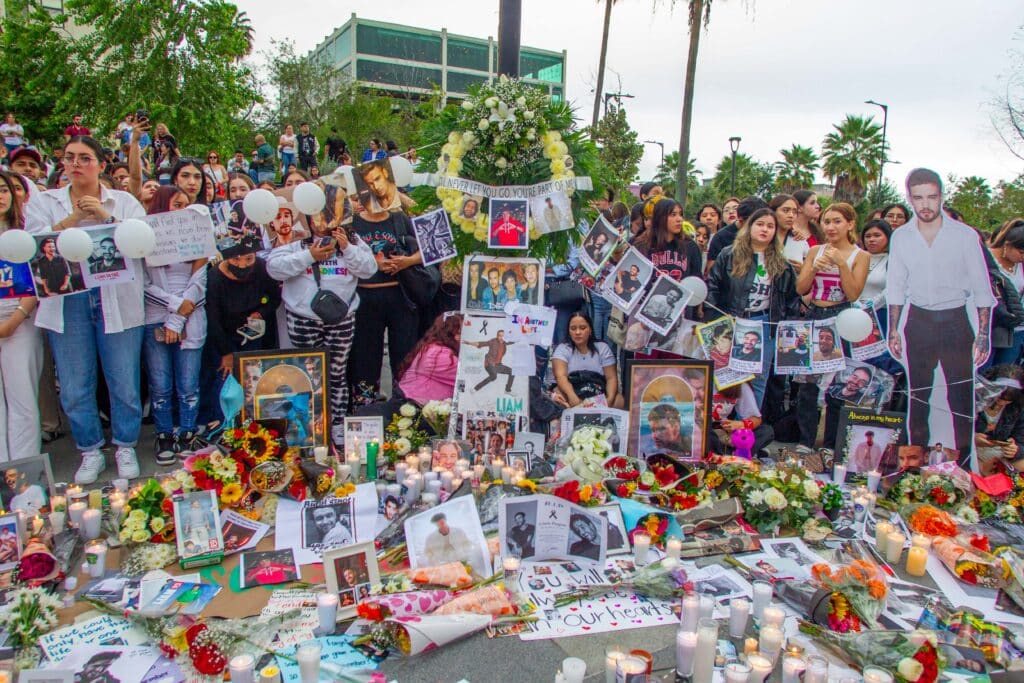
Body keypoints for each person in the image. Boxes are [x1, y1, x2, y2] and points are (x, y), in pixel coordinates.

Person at [25, 136, 145, 484]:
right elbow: (33, 246)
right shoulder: (44, 202)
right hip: (67, 301)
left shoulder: (123, 201)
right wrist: (73, 218)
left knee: (123, 381)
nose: (76, 164)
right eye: (69, 158)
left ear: (101, 165)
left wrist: (105, 215)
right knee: (76, 384)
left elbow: (142, 244)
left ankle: (125, 444)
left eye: (85, 158)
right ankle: (90, 449)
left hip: (115, 298)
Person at [888, 169, 996, 461]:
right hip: (918, 320)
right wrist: (893, 329)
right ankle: (914, 466)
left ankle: (961, 464)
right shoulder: (901, 236)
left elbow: (982, 288)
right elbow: (896, 285)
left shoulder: (964, 236)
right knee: (918, 396)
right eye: (919, 197)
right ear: (910, 198)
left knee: (959, 397)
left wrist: (983, 333)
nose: (926, 204)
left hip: (956, 320)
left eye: (932, 197)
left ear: (941, 196)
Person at [267, 213, 377, 447]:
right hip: (303, 318)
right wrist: (310, 255)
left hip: (341, 318)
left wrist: (347, 248)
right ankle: (307, 428)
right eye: (316, 217)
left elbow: (369, 269)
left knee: (336, 375)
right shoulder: (297, 240)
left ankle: (337, 426)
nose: (322, 222)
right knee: (305, 376)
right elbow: (274, 268)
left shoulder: (352, 240)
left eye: (327, 216)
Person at [795, 202, 869, 450]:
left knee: (837, 386)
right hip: (815, 313)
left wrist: (841, 264)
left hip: (843, 316)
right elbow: (801, 288)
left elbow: (853, 293)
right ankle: (804, 441)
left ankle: (829, 446)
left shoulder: (861, 256)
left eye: (837, 221)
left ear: (850, 224)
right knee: (807, 383)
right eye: (827, 221)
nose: (831, 226)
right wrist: (814, 268)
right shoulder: (815, 251)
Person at [707, 206, 799, 405]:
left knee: (758, 378)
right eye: (760, 224)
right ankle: (720, 423)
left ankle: (747, 426)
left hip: (764, 324)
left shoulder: (782, 263)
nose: (765, 229)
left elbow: (791, 298)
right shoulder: (728, 254)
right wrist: (716, 321)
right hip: (732, 321)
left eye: (770, 226)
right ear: (749, 227)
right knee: (725, 375)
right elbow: (712, 286)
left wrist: (786, 328)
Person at [143, 186, 208, 464]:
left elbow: (200, 281)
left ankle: (188, 432)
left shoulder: (198, 238)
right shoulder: (145, 239)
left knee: (188, 385)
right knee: (160, 385)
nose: (182, 209)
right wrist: (172, 308)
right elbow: (143, 284)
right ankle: (164, 434)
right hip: (156, 316)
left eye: (186, 204)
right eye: (176, 204)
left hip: (191, 314)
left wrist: (180, 317)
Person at [347, 193, 422, 405]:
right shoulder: (352, 223)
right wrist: (372, 262)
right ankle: (366, 408)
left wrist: (407, 262)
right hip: (365, 297)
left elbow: (430, 248)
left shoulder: (400, 219)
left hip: (401, 297)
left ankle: (405, 409)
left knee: (405, 356)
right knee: (365, 357)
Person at [0, 170, 42, 462]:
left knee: (23, 399)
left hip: (20, 319)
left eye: (4, 189)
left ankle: (25, 479)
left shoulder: (28, 231)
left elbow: (39, 279)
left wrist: (15, 318)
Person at [551, 311, 620, 408]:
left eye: (582, 328)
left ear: (590, 330)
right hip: (572, 391)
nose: (578, 332)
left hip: (598, 391)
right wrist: (573, 397)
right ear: (569, 331)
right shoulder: (562, 348)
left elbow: (611, 378)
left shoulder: (602, 347)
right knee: (558, 396)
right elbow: (561, 377)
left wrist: (609, 399)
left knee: (619, 401)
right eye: (573, 329)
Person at [395, 312, 461, 406]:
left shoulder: (433, 348)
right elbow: (469, 376)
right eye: (458, 333)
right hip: (412, 406)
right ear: (447, 334)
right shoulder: (438, 354)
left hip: (417, 405)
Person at [986, 219, 1024, 366]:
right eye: (1021, 252)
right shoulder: (984, 259)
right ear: (1007, 245)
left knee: (1005, 376)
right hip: (990, 328)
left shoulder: (1020, 266)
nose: (1023, 257)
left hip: (1016, 330)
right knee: (983, 374)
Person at [975, 365, 1024, 474]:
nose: (1001, 403)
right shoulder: (974, 398)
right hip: (972, 450)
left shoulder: (1018, 408)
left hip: (999, 454)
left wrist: (1015, 449)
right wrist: (973, 439)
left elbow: (1021, 440)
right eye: (999, 398)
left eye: (1007, 401)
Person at [708, 382, 774, 457]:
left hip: (723, 430)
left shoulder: (740, 384)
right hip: (701, 431)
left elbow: (756, 419)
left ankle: (728, 453)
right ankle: (740, 454)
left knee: (766, 431)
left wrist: (741, 424)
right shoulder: (698, 377)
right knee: (708, 435)